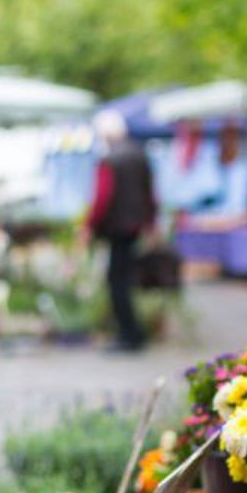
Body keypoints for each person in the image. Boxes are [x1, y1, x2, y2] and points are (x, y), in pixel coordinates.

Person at [84, 109, 158, 351]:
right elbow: (151, 194)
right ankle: (132, 332)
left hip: (116, 228)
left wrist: (89, 226)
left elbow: (102, 198)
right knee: (126, 281)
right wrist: (151, 223)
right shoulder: (139, 155)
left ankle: (129, 335)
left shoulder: (109, 159)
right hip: (135, 226)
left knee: (117, 283)